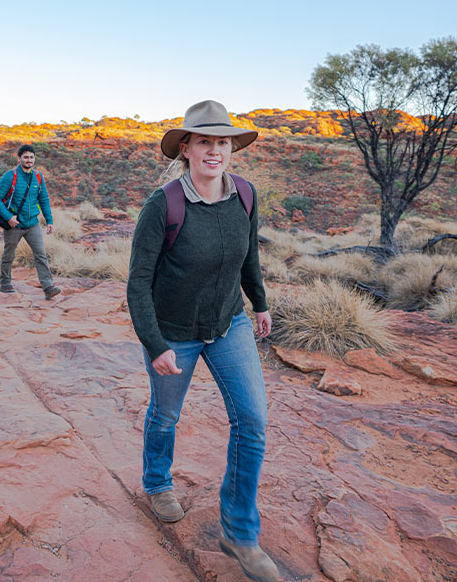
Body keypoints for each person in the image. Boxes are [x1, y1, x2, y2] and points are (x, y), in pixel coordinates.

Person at [126, 100, 278, 582]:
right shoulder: (164, 204)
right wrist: (155, 344)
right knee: (166, 413)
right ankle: (156, 482)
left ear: (232, 148)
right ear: (187, 148)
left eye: (223, 142)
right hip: (174, 332)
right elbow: (138, 283)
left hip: (228, 324)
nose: (215, 150)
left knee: (252, 420)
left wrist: (259, 303)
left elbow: (247, 256)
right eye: (205, 141)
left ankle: (239, 532)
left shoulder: (246, 196)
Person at [0, 144, 61, 299]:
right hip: (14, 224)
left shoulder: (38, 176)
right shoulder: (10, 176)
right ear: (19, 158)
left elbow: (43, 199)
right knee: (9, 254)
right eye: (26, 157)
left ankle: (48, 287)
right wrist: (9, 217)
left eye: (31, 157)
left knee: (41, 255)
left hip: (32, 223)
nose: (29, 160)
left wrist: (49, 220)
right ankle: (5, 283)